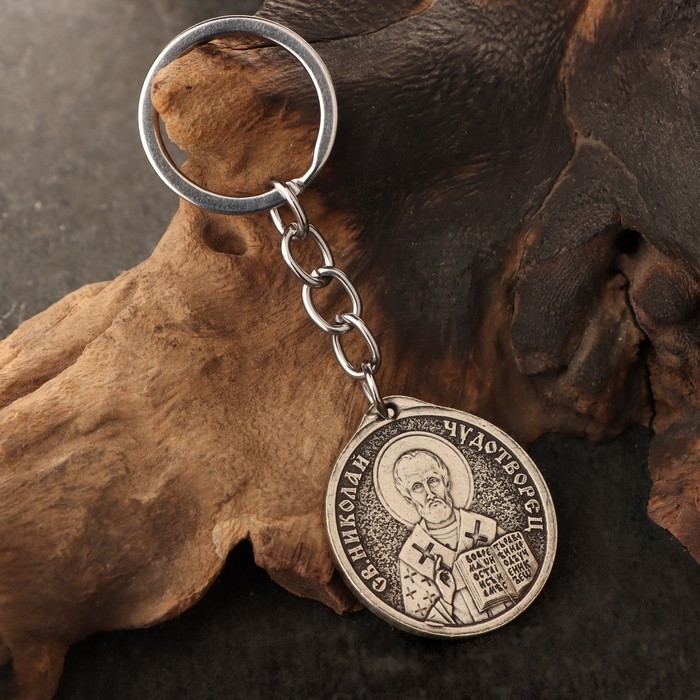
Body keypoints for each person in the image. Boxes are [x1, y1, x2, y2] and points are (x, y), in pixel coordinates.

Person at [393, 449, 509, 626]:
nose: (430, 493)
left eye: (433, 481)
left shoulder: (485, 527)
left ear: (446, 482)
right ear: (409, 497)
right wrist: (446, 598)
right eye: (417, 487)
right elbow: (421, 624)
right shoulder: (412, 556)